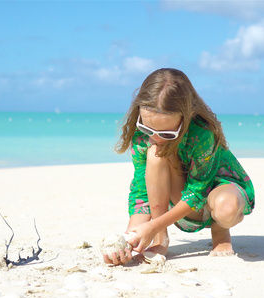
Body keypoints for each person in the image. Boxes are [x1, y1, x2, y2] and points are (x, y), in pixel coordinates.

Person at [104, 68, 255, 265]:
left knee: (226, 211)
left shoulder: (202, 134)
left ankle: (220, 230)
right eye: (147, 128)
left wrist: (152, 226)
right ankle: (161, 239)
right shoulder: (142, 138)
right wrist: (129, 240)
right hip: (180, 195)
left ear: (187, 117)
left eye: (167, 134)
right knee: (155, 154)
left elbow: (197, 192)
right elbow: (142, 190)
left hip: (215, 189)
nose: (155, 138)